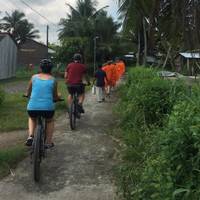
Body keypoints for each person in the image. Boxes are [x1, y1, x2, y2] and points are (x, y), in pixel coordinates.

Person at [25, 59, 60, 148]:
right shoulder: (53, 80)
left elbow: (28, 91)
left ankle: (31, 136)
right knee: (50, 121)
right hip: (48, 108)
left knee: (32, 118)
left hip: (32, 107)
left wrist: (27, 95)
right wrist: (57, 98)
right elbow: (55, 96)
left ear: (40, 68)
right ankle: (48, 142)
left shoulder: (34, 77)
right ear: (51, 69)